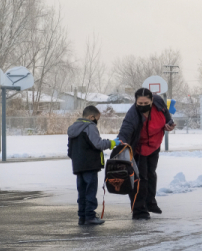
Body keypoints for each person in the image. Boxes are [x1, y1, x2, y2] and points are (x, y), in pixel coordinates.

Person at [118, 88, 176, 220]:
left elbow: (167, 118)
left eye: (146, 103)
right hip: (138, 148)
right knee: (140, 179)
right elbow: (125, 131)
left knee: (151, 175)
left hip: (154, 145)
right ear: (136, 102)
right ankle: (139, 210)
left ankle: (150, 203)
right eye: (140, 103)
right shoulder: (133, 114)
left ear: (152, 101)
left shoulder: (159, 103)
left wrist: (169, 124)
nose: (143, 106)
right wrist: (120, 144)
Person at [67, 105, 121, 225]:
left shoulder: (73, 128)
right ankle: (90, 216)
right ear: (91, 117)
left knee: (81, 191)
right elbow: (98, 144)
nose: (97, 121)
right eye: (97, 118)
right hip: (90, 165)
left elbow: (69, 150)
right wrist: (112, 143)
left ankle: (82, 216)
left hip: (78, 166)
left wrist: (77, 159)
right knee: (90, 191)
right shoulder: (89, 127)